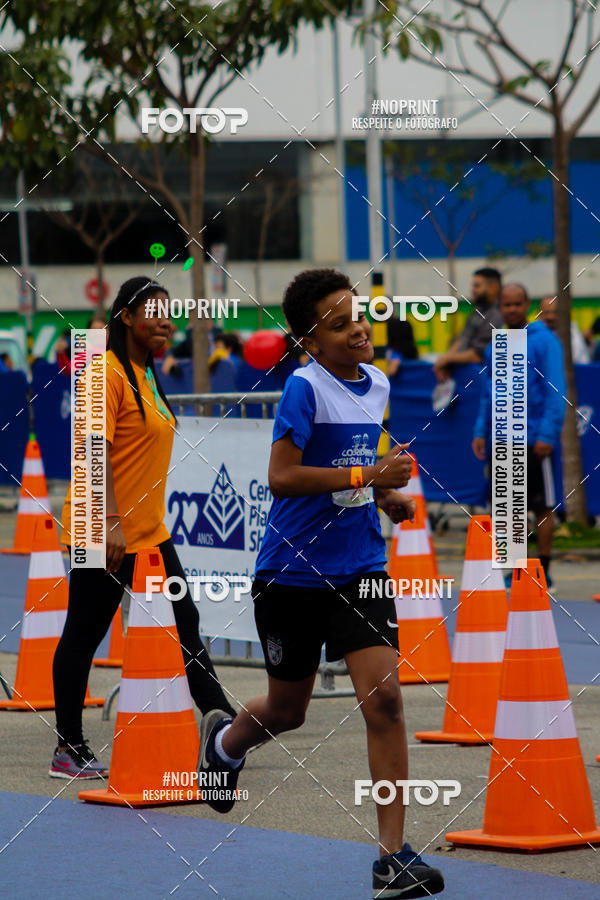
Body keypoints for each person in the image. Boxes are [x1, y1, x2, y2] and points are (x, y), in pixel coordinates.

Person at [198, 269, 445, 899]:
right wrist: (368, 474)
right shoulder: (303, 390)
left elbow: (353, 468)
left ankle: (391, 858)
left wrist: (384, 496)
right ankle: (224, 744)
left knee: (385, 701)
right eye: (338, 325)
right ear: (310, 341)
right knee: (289, 711)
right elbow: (282, 476)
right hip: (290, 574)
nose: (358, 328)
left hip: (360, 567)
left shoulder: (380, 383)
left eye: (356, 314)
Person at [51, 276, 236, 779]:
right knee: (85, 631)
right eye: (153, 311)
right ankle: (68, 747)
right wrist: (109, 520)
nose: (165, 321)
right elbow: (91, 447)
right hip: (99, 524)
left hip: (148, 529)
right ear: (126, 316)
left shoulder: (145, 371)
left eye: (169, 313)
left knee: (185, 621)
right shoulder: (99, 368)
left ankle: (224, 728)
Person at [472, 284, 566, 588]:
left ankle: (544, 568)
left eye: (517, 304)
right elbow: (488, 392)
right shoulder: (495, 345)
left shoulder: (545, 341)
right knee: (508, 508)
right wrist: (481, 430)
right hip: (503, 440)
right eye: (507, 304)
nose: (512, 309)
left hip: (534, 439)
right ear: (501, 306)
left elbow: (556, 390)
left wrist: (547, 435)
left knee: (541, 507)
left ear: (527, 305)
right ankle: (515, 569)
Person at [433, 267, 502, 382]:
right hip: (462, 380)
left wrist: (447, 359)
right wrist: (445, 361)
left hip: (481, 382)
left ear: (493, 287)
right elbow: (462, 340)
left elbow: (479, 354)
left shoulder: (497, 315)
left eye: (477, 286)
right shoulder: (478, 311)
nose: (472, 289)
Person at [538, 296, 590, 363]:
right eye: (546, 312)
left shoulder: (573, 334)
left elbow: (582, 362)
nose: (550, 317)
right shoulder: (531, 335)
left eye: (555, 312)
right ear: (538, 313)